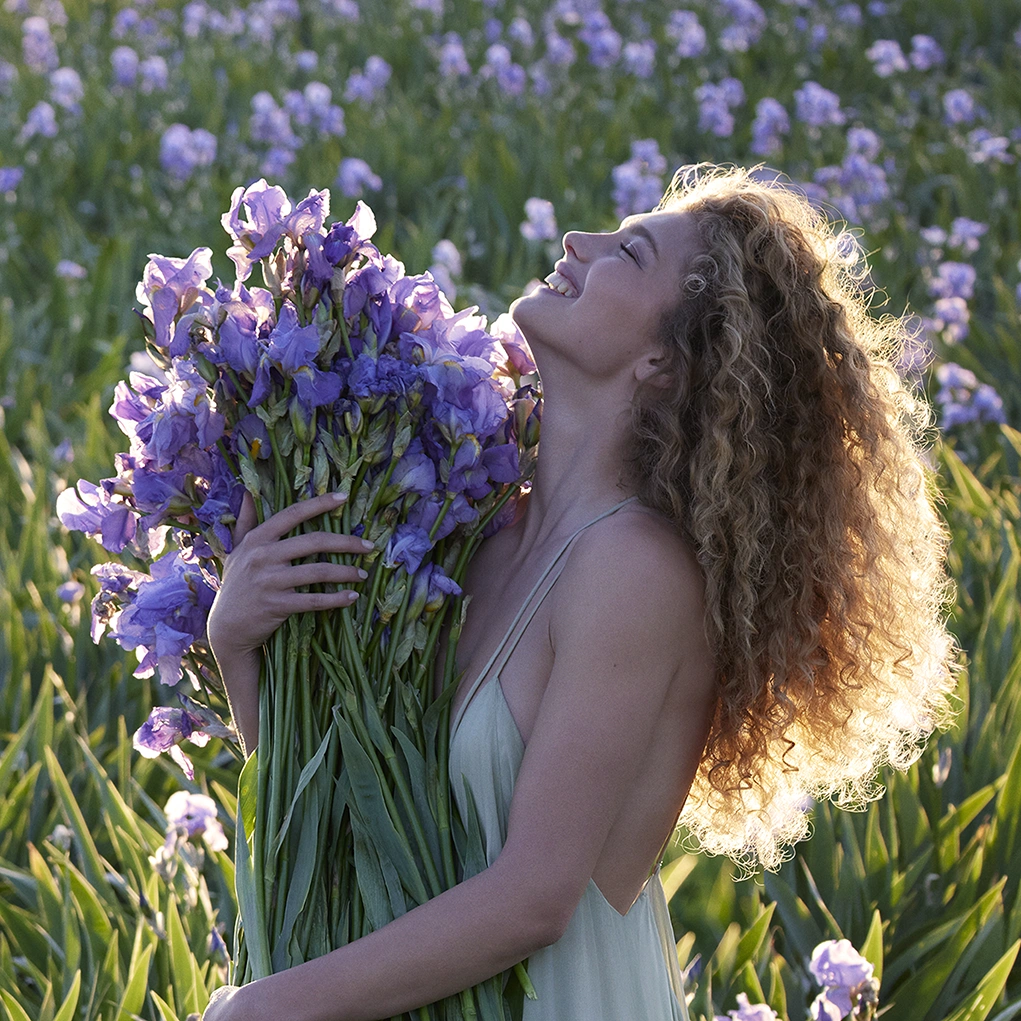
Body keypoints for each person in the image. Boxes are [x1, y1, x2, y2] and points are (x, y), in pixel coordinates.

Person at [202, 163, 958, 1021]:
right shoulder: (477, 531)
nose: (577, 242)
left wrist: (259, 1009)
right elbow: (352, 794)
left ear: (661, 360)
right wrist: (239, 647)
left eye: (627, 251)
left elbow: (535, 896)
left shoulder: (635, 570)